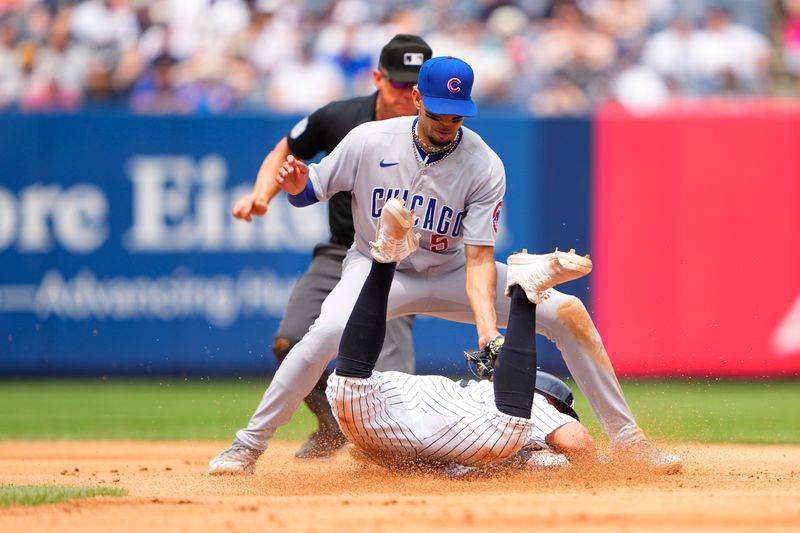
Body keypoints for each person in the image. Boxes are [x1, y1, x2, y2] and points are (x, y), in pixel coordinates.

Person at [209, 55, 681, 476]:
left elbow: (478, 259)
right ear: (416, 97)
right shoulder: (369, 139)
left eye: (456, 115)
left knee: (568, 311)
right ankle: (247, 447)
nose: (446, 123)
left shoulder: (483, 163)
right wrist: (292, 185)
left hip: (453, 270)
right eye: (437, 111)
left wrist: (484, 330)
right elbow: (310, 190)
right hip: (378, 269)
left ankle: (630, 442)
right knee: (321, 336)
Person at [224, 34, 433, 461]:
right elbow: (287, 149)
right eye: (398, 83)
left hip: (397, 258)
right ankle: (334, 424)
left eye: (418, 87)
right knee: (289, 342)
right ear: (378, 78)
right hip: (341, 250)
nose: (408, 95)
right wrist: (262, 194)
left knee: (388, 370)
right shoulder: (343, 118)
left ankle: (391, 450)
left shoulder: (434, 132)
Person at [326, 207, 596, 471]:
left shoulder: (474, 400)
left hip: (387, 404)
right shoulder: (536, 403)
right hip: (437, 431)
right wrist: (598, 469)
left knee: (350, 383)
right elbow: (576, 443)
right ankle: (525, 291)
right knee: (509, 428)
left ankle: (385, 259)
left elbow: (361, 455)